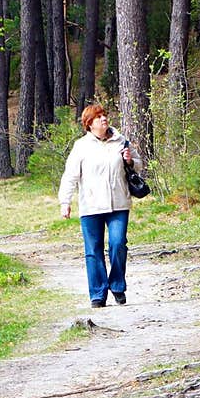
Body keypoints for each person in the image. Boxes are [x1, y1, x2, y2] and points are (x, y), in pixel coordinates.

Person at [58, 103, 143, 307]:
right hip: (91, 206)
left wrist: (130, 161)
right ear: (89, 124)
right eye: (98, 117)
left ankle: (117, 286)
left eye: (105, 116)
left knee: (118, 244)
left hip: (118, 203)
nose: (104, 119)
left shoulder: (121, 141)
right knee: (93, 250)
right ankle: (98, 293)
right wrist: (65, 201)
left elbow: (139, 165)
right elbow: (70, 175)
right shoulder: (81, 146)